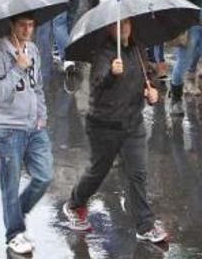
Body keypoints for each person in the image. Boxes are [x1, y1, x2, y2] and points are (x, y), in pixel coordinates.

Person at [61, 18, 168, 244]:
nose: (124, 29)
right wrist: (111, 73)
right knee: (98, 171)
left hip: (133, 123)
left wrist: (152, 90)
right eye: (118, 25)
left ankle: (145, 225)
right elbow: (99, 82)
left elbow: (148, 75)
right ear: (109, 28)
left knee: (138, 173)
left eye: (127, 24)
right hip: (104, 125)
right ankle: (75, 203)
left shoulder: (138, 48)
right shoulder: (103, 52)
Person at [0, 12, 52, 255]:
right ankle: (13, 234)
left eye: (31, 25)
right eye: (22, 25)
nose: (27, 30)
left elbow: (38, 87)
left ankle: (16, 212)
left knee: (44, 176)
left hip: (34, 126)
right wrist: (16, 69)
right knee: (10, 184)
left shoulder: (33, 50)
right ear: (12, 26)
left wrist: (42, 116)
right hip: (8, 129)